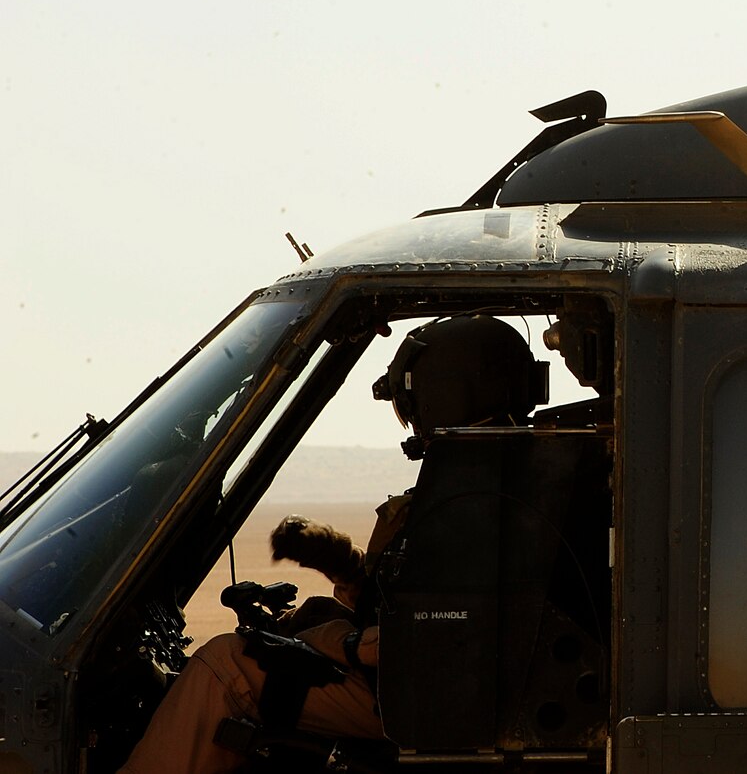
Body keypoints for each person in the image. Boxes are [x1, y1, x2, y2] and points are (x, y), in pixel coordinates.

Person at [118, 316, 545, 774]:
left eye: (412, 398)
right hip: (430, 682)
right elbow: (418, 601)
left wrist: (341, 643)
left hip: (428, 696)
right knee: (309, 615)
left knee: (224, 665)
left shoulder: (478, 500)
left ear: (444, 395)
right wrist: (334, 578)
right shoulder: (499, 480)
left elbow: (453, 630)